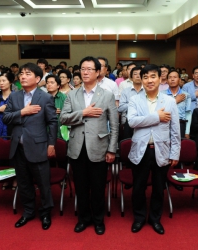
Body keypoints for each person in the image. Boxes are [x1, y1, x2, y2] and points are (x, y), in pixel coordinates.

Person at [60, 56, 118, 235]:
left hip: (99, 147)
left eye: (89, 69)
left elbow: (115, 125)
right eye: (82, 69)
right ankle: (83, 219)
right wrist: (83, 112)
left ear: (98, 72)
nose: (85, 72)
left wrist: (112, 149)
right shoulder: (72, 94)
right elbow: (63, 118)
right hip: (77, 147)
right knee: (81, 187)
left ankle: (98, 220)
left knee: (98, 187)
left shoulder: (107, 95)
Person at [3, 62, 57, 230]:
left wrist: (52, 144)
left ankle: (46, 213)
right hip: (18, 148)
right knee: (24, 182)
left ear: (38, 78)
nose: (23, 76)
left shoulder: (45, 97)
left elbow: (52, 122)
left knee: (43, 183)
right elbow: (6, 118)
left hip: (38, 147)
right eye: (22, 73)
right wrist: (22, 112)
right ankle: (28, 212)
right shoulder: (14, 96)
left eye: (27, 74)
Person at [127, 64, 180, 234]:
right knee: (138, 187)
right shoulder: (135, 99)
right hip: (140, 150)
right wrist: (157, 117)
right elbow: (132, 122)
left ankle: (155, 219)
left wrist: (175, 153)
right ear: (141, 80)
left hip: (161, 150)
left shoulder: (170, 101)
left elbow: (175, 130)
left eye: (152, 77)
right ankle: (139, 217)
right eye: (145, 77)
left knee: (159, 188)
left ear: (159, 79)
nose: (149, 80)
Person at [164, 70, 191, 139]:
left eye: (175, 77)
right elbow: (159, 110)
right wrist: (175, 101)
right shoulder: (161, 94)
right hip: (165, 124)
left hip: (180, 124)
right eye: (170, 77)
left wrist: (187, 132)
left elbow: (188, 114)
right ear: (167, 80)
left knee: (178, 148)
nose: (172, 79)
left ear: (179, 80)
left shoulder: (186, 95)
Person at [118, 66, 144, 139]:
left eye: (140, 74)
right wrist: (133, 103)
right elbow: (120, 108)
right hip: (129, 121)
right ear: (131, 77)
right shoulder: (125, 91)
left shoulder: (148, 91)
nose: (138, 76)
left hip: (145, 120)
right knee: (128, 144)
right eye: (135, 74)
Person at [45, 75, 66, 140]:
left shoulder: (64, 97)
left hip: (60, 129)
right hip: (45, 130)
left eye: (52, 82)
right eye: (47, 83)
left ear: (58, 85)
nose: (49, 85)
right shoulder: (42, 97)